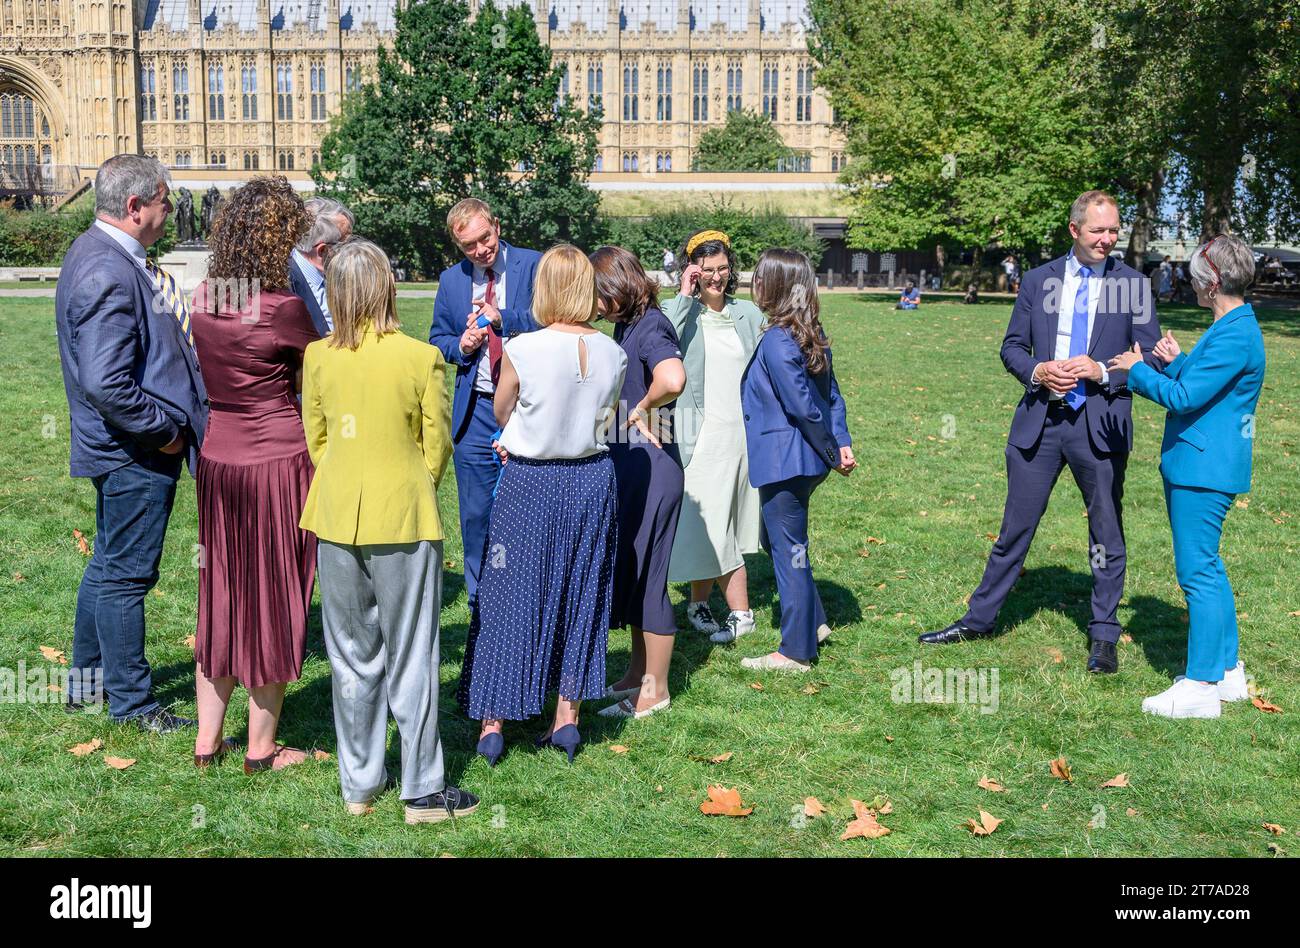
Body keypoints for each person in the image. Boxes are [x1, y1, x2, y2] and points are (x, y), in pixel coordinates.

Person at [918, 190, 1164, 672]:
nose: (1108, 239)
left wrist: (1102, 370)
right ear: (1075, 230)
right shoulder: (1038, 280)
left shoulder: (1133, 284)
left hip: (1102, 424)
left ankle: (1104, 634)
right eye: (1098, 231)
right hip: (1041, 425)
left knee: (1105, 531)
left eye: (1113, 230)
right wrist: (1037, 372)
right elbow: (1011, 347)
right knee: (1015, 528)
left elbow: (1152, 355)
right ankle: (978, 620)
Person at [300, 238, 477, 824]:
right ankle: (422, 789)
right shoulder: (419, 356)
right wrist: (410, 482)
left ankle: (360, 786)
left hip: (335, 515)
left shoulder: (318, 356)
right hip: (404, 514)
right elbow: (436, 444)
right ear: (386, 288)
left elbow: (317, 441)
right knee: (413, 654)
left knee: (351, 656)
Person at [457, 245, 627, 765]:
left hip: (531, 482)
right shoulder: (613, 353)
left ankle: (493, 723)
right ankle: (567, 719)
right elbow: (603, 420)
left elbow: (504, 407)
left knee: (510, 596)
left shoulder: (524, 347)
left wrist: (522, 430)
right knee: (581, 595)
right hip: (592, 481)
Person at [55, 155, 207, 732]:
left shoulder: (105, 256)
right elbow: (105, 381)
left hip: (126, 446)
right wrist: (165, 434)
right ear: (135, 207)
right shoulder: (107, 269)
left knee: (108, 564)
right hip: (132, 451)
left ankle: (86, 684)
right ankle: (133, 702)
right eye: (164, 200)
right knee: (127, 576)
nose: (170, 210)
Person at [189, 177, 320, 773]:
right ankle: (262, 748)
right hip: (276, 461)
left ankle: (207, 743)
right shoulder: (283, 308)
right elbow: (320, 368)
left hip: (219, 458)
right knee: (274, 593)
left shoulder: (205, 298)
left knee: (220, 590)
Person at [1109, 235, 1265, 718]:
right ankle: (1228, 673)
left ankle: (1200, 686)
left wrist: (1138, 370)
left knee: (1197, 572)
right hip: (1205, 464)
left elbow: (1183, 399)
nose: (1189, 281)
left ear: (1212, 281)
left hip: (1204, 469)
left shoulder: (1236, 332)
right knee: (1209, 568)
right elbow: (1200, 381)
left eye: (1196, 275)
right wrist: (1176, 360)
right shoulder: (1231, 323)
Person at [740, 249, 856, 671]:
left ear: (774, 287)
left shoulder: (777, 339)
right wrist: (839, 443)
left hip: (787, 460)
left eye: (758, 277)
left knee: (789, 549)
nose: (752, 283)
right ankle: (815, 622)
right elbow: (832, 396)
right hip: (805, 461)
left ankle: (795, 651)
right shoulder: (809, 332)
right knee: (780, 543)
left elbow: (806, 406)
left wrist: (833, 449)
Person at [428, 198, 541, 610]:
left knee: (525, 513)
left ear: (497, 224)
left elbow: (554, 318)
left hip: (528, 406)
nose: (479, 251)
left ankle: (524, 596)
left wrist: (503, 319)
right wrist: (459, 345)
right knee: (475, 516)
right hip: (474, 411)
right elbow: (436, 340)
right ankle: (480, 603)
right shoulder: (451, 280)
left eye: (485, 238)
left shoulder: (533, 265)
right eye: (469, 246)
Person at [589, 246, 686, 719]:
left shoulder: (652, 326)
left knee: (650, 581)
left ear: (616, 289)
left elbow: (672, 377)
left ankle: (656, 691)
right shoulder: (629, 324)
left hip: (654, 468)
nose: (593, 305)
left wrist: (642, 408)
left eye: (597, 295)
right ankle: (634, 675)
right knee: (632, 576)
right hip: (633, 466)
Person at [663, 229, 763, 643]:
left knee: (726, 519)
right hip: (700, 435)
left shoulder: (749, 314)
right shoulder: (679, 310)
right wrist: (686, 295)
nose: (717, 277)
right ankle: (742, 613)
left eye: (723, 268)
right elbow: (662, 338)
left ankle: (698, 603)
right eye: (707, 270)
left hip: (741, 432)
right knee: (711, 521)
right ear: (693, 271)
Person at [288, 197, 354, 336]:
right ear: (322, 250)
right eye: (346, 245)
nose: (352, 252)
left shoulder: (336, 278)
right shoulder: (281, 281)